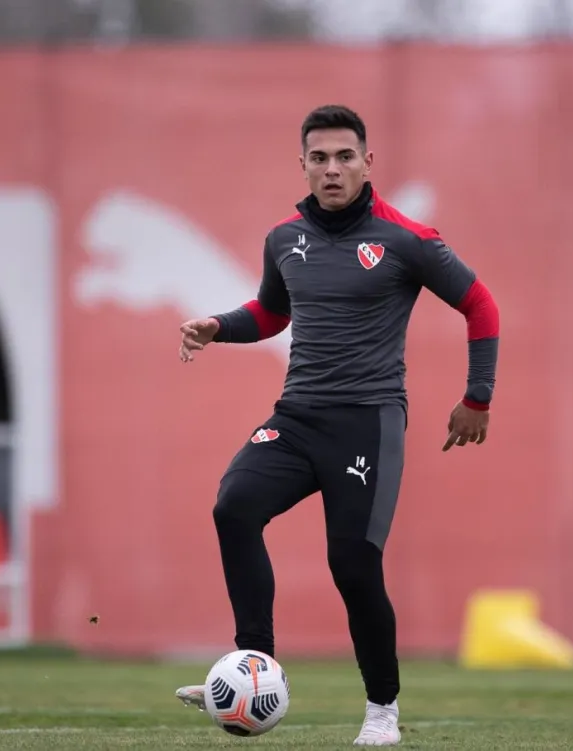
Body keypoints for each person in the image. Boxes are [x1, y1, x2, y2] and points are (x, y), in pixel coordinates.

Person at [174, 104, 500, 746]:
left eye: (344, 156)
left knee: (352, 566)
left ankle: (383, 710)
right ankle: (252, 668)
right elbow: (271, 314)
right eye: (319, 158)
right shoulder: (282, 238)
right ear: (302, 164)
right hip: (298, 418)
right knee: (234, 507)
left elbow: (480, 304)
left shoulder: (406, 238)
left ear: (367, 162)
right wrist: (219, 326)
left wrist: (478, 400)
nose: (332, 169)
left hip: (367, 424)